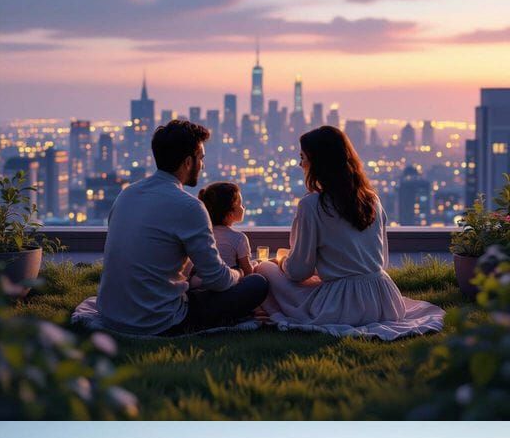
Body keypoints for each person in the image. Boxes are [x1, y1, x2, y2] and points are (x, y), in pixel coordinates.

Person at [254, 126, 445, 336]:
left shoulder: (311, 205)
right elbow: (380, 261)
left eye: (303, 157)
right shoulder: (371, 199)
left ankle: (270, 304)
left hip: (341, 307)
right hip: (385, 301)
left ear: (318, 162)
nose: (300, 164)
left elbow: (299, 271)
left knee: (264, 268)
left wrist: (282, 261)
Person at [95, 119, 268, 335]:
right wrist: (240, 273)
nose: (202, 165)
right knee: (257, 284)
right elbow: (218, 280)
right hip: (159, 321)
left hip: (111, 314)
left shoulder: (126, 194)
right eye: (201, 158)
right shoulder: (189, 206)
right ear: (188, 162)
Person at [197, 182, 253, 276]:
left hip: (205, 279)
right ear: (230, 214)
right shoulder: (239, 238)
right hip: (230, 280)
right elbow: (248, 271)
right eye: (240, 204)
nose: (243, 207)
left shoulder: (202, 234)